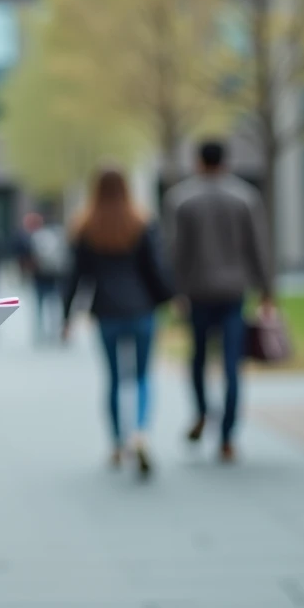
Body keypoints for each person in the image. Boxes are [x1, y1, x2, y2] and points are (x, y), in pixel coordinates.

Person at [163, 140, 273, 463]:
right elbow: (258, 247)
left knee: (197, 358)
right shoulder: (246, 198)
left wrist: (175, 292)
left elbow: (176, 252)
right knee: (231, 365)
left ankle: (201, 412)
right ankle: (227, 437)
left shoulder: (181, 200)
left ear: (198, 161)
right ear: (226, 161)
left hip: (196, 292)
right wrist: (267, 290)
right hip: (233, 293)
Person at [62, 167, 173, 475]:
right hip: (141, 310)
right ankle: (139, 433)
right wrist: (169, 298)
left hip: (106, 312)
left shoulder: (86, 226)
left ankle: (115, 443)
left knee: (113, 379)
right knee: (141, 376)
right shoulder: (142, 222)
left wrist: (67, 315)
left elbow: (75, 276)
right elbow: (156, 269)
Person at [29, 214, 70, 342]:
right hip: (53, 277)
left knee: (40, 305)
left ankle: (40, 331)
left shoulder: (37, 238)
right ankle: (53, 331)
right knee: (53, 306)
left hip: (40, 277)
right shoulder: (56, 238)